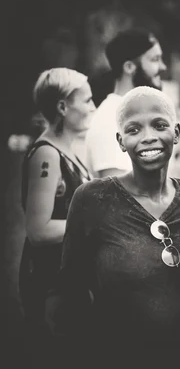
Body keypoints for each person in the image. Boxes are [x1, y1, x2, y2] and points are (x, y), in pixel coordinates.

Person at [49, 87, 180, 368]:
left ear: (177, 132)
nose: (148, 137)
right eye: (134, 130)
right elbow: (67, 290)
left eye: (159, 125)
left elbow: (177, 275)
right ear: (121, 141)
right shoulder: (94, 198)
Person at [19, 68, 95, 366]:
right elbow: (37, 230)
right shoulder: (47, 155)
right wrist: (93, 226)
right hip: (51, 284)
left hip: (68, 282)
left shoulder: (68, 151)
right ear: (63, 107)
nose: (92, 107)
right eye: (87, 100)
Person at [85, 28, 166, 178]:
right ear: (129, 67)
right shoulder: (109, 120)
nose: (163, 67)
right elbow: (117, 196)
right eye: (154, 59)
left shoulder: (132, 113)